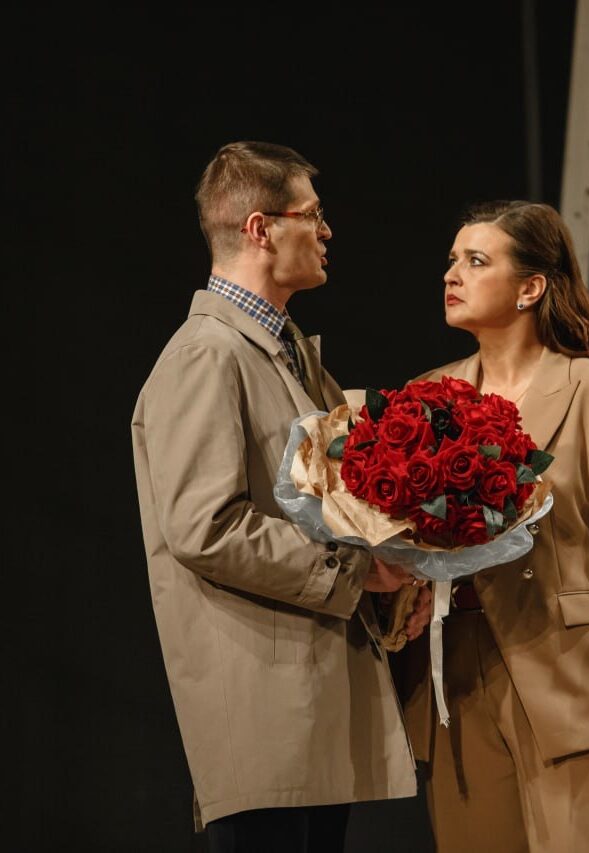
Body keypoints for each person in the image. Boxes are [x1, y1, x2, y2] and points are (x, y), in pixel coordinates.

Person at [131, 141, 428, 853]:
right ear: (260, 229)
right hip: (263, 711)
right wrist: (357, 571)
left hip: (311, 704)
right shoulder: (206, 354)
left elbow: (331, 510)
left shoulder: (288, 354)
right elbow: (204, 527)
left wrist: (398, 581)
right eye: (312, 215)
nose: (327, 231)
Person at [395, 200, 589, 852]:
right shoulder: (425, 397)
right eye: (452, 260)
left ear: (531, 287)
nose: (452, 275)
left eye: (476, 261)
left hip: (574, 686)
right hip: (457, 682)